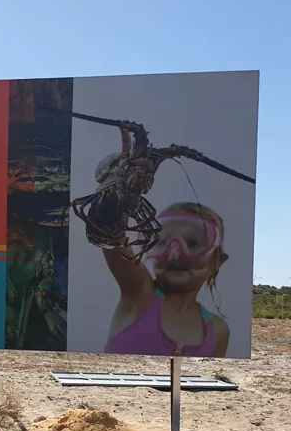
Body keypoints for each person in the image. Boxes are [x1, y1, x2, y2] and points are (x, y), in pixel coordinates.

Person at [93, 142, 231, 358]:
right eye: (162, 242)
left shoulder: (219, 330)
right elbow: (112, 237)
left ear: (218, 260)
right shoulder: (138, 293)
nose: (175, 253)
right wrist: (117, 178)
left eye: (193, 244)